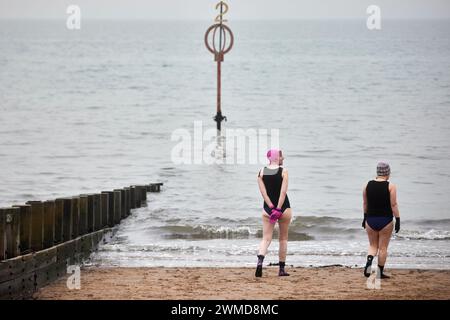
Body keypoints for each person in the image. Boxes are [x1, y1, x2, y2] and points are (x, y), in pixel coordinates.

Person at [255, 149, 292, 277]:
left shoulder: (261, 172)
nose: (283, 159)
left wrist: (271, 207)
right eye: (281, 157)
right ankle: (281, 269)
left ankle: (259, 262)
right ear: (276, 158)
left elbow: (263, 193)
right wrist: (278, 208)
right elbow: (283, 192)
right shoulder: (284, 171)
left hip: (267, 209)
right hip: (284, 208)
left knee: (266, 239)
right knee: (283, 239)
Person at [362, 162, 400, 279]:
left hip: (370, 220)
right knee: (383, 248)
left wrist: (365, 218)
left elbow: (365, 203)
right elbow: (393, 205)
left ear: (377, 172)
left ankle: (368, 264)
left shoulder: (367, 185)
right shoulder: (391, 186)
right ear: (387, 172)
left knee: (373, 245)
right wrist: (398, 219)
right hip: (386, 221)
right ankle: (379, 273)